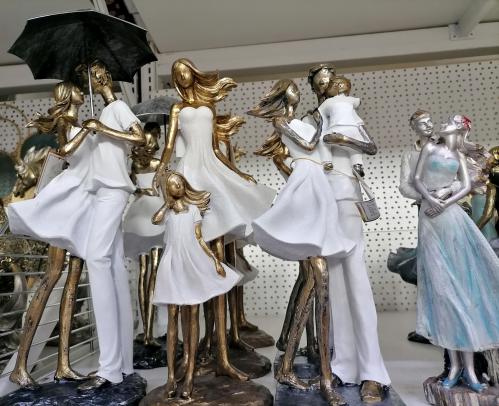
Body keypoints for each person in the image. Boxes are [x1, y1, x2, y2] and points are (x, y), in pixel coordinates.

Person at [153, 58, 275, 380]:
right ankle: (200, 353)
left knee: (219, 248)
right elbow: (170, 145)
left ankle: (221, 351)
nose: (182, 78)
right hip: (188, 172)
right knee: (195, 254)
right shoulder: (177, 109)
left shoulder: (207, 106)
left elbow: (215, 149)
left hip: (210, 170)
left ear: (192, 74)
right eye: (177, 75)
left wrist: (237, 172)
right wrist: (161, 170)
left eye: (185, 72)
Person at [249, 79, 354, 406]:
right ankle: (324, 377)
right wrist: (322, 123)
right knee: (318, 279)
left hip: (318, 186)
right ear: (283, 95)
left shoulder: (306, 120)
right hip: (304, 187)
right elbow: (309, 147)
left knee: (314, 284)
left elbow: (322, 156)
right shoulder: (283, 121)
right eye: (290, 87)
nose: (296, 90)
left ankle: (290, 365)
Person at [306, 65, 391, 402]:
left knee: (356, 283)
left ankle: (373, 372)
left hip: (346, 197)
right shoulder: (314, 117)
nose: (326, 86)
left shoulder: (343, 110)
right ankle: (343, 365)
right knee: (333, 289)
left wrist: (341, 139)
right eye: (320, 83)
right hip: (322, 201)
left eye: (328, 80)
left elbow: (369, 146)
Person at [6, 81, 92, 389]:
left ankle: (63, 364)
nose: (82, 91)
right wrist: (89, 131)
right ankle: (20, 365)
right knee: (52, 277)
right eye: (76, 88)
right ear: (68, 95)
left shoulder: (78, 121)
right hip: (66, 207)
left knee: (72, 284)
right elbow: (64, 152)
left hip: (79, 206)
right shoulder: (67, 121)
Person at [414, 114, 499, 393]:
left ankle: (471, 371)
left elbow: (465, 186)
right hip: (430, 217)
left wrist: (446, 201)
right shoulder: (430, 148)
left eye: (451, 121)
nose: (444, 123)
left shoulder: (459, 156)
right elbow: (417, 179)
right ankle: (452, 367)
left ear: (460, 129)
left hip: (451, 217)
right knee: (442, 293)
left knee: (463, 289)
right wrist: (431, 200)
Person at [76, 60, 146, 391]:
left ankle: (108, 368)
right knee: (115, 267)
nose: (96, 78)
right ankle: (123, 365)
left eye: (97, 73)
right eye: (90, 76)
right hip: (104, 190)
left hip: (113, 190)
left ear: (106, 76)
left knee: (96, 258)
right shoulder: (104, 113)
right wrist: (93, 131)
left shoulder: (116, 107)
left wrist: (101, 129)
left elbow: (139, 137)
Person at [152, 170, 241, 399]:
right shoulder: (168, 212)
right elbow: (155, 220)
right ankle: (171, 377)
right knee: (172, 318)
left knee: (192, 314)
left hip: (192, 261)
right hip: (172, 263)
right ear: (167, 189)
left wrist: (215, 261)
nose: (179, 187)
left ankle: (190, 375)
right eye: (174, 184)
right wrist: (166, 204)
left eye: (181, 183)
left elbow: (200, 239)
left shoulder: (193, 210)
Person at [123, 122, 164, 347]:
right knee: (145, 272)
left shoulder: (157, 164)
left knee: (151, 272)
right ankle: (146, 332)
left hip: (154, 215)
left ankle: (150, 330)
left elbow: (164, 189)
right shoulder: (135, 166)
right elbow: (130, 187)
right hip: (141, 216)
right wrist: (141, 190)